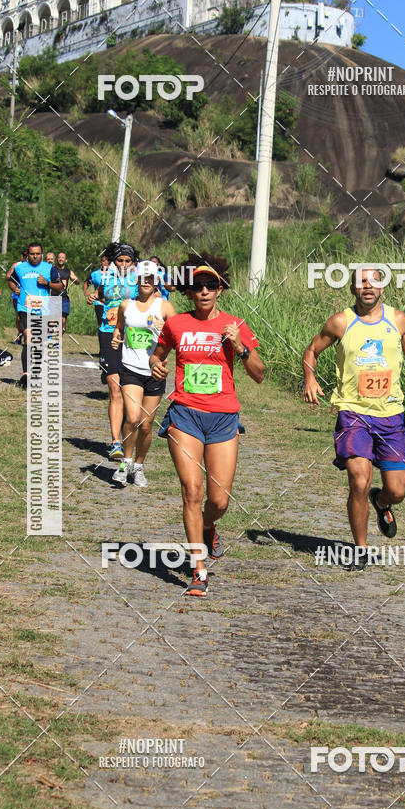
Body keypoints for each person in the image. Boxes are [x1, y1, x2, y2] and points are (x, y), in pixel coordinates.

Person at [302, 267, 405, 570]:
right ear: (352, 290)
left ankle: (382, 501)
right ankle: (360, 549)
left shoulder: (398, 320)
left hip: (391, 416)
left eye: (374, 281)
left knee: (397, 491)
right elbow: (311, 351)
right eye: (361, 282)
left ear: (382, 288)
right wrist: (309, 377)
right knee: (359, 481)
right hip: (353, 413)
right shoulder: (340, 322)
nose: (368, 286)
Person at [150, 255, 264, 597]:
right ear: (189, 291)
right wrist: (156, 364)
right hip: (185, 414)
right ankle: (199, 570)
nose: (204, 291)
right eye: (197, 286)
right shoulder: (176, 324)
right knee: (192, 491)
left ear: (220, 290)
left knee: (219, 500)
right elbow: (158, 353)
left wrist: (239, 347)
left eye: (210, 286)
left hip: (223, 417)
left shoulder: (234, 324)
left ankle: (209, 525)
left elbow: (259, 375)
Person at [110, 261, 176, 487]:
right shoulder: (126, 305)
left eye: (150, 278)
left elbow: (178, 339)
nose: (146, 281)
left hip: (155, 372)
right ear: (136, 280)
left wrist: (164, 329)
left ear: (156, 281)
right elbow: (119, 327)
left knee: (146, 425)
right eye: (142, 277)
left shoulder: (165, 307)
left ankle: (138, 466)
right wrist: (116, 337)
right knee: (133, 418)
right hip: (130, 369)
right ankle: (125, 462)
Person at [97, 242, 139, 459]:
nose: (123, 264)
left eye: (127, 261)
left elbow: (151, 301)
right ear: (114, 262)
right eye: (119, 260)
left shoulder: (139, 281)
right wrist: (93, 298)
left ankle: (127, 435)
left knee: (128, 389)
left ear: (133, 262)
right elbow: (99, 295)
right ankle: (115, 442)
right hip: (108, 333)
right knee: (114, 387)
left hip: (132, 337)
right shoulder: (104, 278)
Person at [7, 242, 63, 389]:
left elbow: (60, 287)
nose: (35, 256)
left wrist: (47, 283)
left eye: (38, 254)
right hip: (25, 307)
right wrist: (15, 289)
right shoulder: (20, 268)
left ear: (42, 254)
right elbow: (10, 280)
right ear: (28, 254)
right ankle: (26, 375)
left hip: (43, 308)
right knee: (28, 338)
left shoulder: (49, 268)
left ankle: (36, 373)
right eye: (32, 254)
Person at [52, 251, 80, 333]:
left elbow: (77, 281)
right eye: (59, 257)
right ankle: (51, 337)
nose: (61, 259)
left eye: (62, 258)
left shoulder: (69, 271)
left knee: (62, 320)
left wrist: (76, 280)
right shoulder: (53, 270)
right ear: (57, 259)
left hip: (64, 298)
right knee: (52, 321)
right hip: (53, 298)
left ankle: (59, 337)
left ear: (66, 260)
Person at [84, 253, 110, 331]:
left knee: (111, 324)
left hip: (110, 302)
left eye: (108, 261)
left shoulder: (114, 274)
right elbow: (86, 283)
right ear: (101, 262)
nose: (106, 263)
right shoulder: (95, 274)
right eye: (104, 261)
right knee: (101, 325)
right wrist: (86, 292)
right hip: (99, 303)